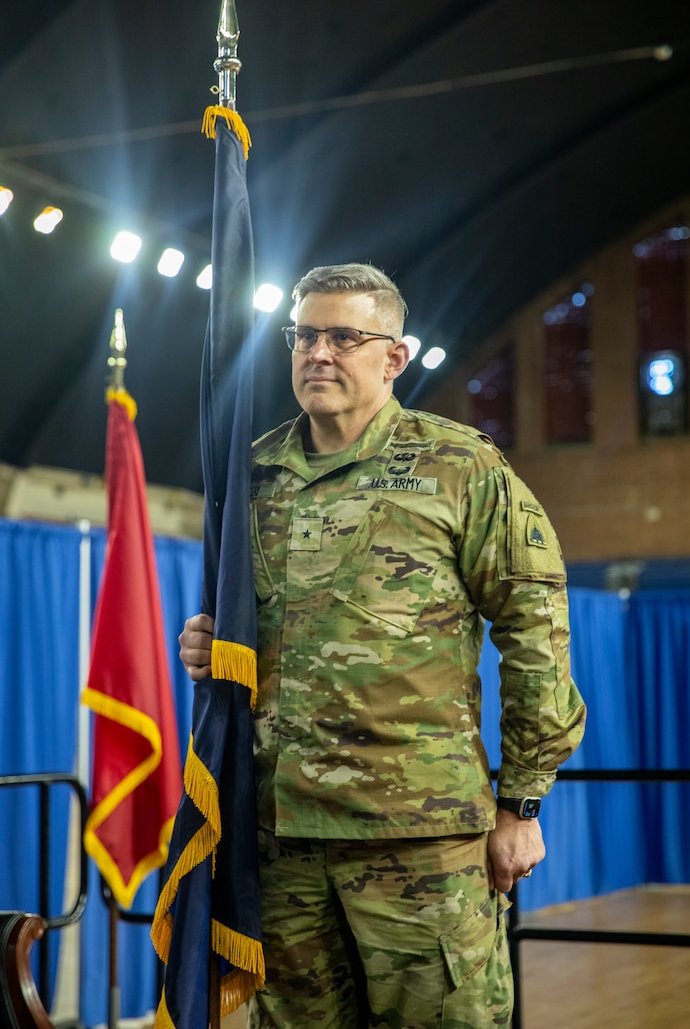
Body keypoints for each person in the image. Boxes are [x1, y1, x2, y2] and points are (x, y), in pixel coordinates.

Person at [180, 262, 586, 1029]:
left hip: (422, 840)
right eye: (304, 336)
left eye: (343, 336)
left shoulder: (460, 466)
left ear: (394, 356)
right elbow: (242, 625)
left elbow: (536, 628)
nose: (318, 353)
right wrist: (210, 644)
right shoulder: (254, 472)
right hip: (282, 839)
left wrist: (522, 801)